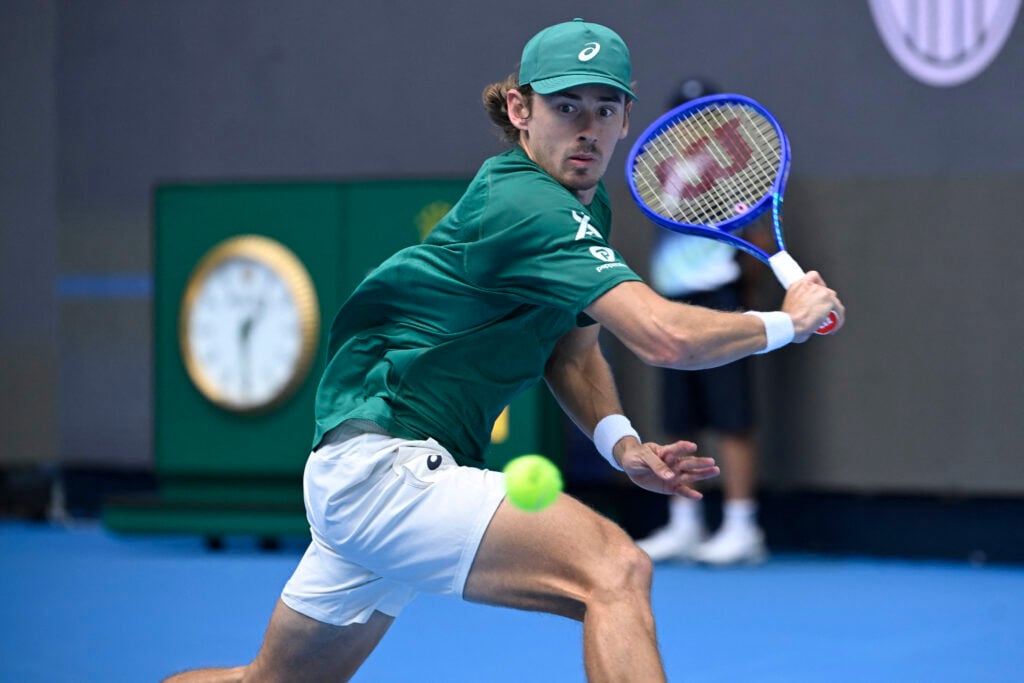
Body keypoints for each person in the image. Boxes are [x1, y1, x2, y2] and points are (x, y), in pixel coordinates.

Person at [164, 18, 843, 683]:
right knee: (615, 568)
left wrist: (622, 445)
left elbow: (571, 354)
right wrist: (787, 320)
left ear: (626, 119)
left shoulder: (584, 205)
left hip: (366, 473)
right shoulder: (527, 203)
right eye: (565, 105)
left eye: (605, 108)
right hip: (387, 467)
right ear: (519, 109)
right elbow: (663, 334)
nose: (588, 126)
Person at [635, 78, 773, 566]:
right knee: (680, 420)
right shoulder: (663, 173)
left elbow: (757, 242)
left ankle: (742, 526)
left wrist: (741, 294)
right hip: (672, 301)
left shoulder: (739, 171)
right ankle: (685, 525)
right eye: (682, 116)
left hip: (720, 298)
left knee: (732, 418)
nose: (691, 126)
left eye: (701, 115)